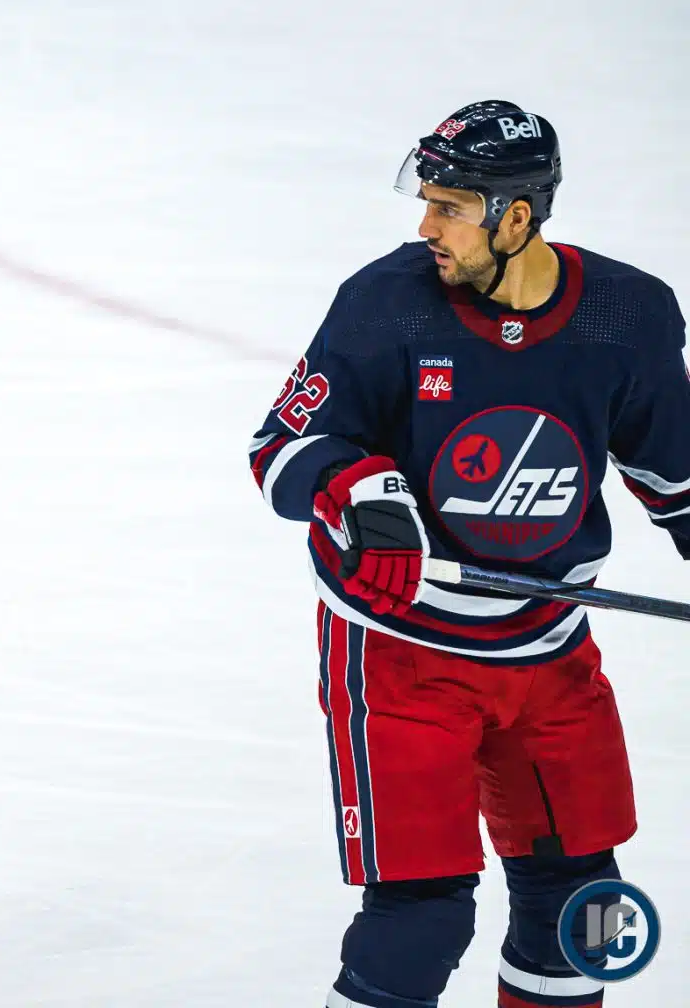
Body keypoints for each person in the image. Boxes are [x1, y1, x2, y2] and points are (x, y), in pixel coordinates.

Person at [248, 100, 689, 1008]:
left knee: (583, 913)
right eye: (428, 202)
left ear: (516, 216)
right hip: (401, 651)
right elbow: (281, 451)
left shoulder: (627, 316)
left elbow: (679, 481)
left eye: (449, 207)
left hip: (548, 650)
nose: (426, 226)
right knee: (422, 920)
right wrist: (359, 486)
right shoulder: (386, 304)